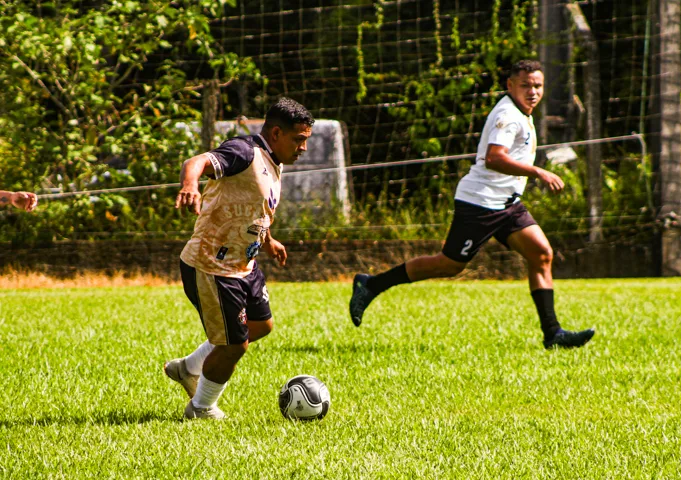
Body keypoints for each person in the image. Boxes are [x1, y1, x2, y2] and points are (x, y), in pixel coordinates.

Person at [349, 60, 594, 350]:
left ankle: (553, 334)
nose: (533, 91)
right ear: (510, 85)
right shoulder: (508, 115)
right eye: (525, 85)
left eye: (537, 86)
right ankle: (371, 284)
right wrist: (538, 172)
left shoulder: (521, 112)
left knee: (541, 254)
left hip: (507, 203)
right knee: (449, 265)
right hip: (480, 203)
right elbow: (494, 157)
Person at [164, 98, 314, 420]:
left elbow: (254, 206)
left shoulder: (275, 161)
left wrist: (268, 240)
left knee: (261, 325)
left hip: (244, 264)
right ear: (276, 133)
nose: (303, 148)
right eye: (298, 139)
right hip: (211, 265)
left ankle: (188, 368)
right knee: (235, 345)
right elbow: (196, 161)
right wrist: (190, 185)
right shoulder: (244, 152)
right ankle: (201, 408)